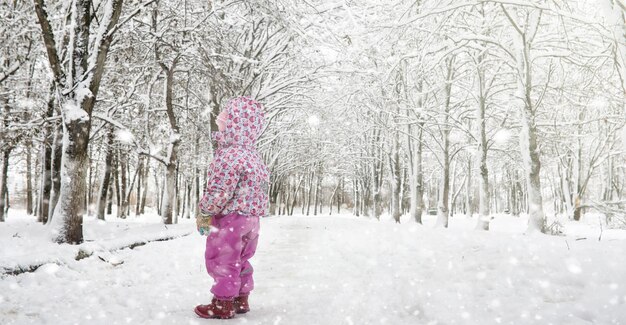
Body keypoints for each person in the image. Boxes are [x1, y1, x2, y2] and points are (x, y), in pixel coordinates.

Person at [194, 96, 270, 319]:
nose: (221, 121)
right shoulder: (253, 156)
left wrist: (206, 211)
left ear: (235, 125)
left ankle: (222, 304)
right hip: (251, 219)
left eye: (225, 119)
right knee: (242, 257)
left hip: (231, 218)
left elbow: (219, 191)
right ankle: (241, 297)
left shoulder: (228, 155)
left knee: (224, 258)